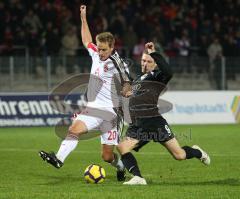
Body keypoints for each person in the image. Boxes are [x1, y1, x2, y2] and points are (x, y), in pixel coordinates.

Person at [39, 5, 130, 181]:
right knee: (74, 129)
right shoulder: (96, 54)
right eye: (99, 48)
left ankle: (119, 166)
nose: (100, 52)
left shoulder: (116, 62)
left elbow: (127, 81)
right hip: (94, 108)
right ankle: (59, 159)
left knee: (107, 156)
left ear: (112, 47)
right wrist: (83, 18)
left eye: (104, 49)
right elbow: (86, 40)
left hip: (111, 114)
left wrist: (126, 90)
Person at [118, 42, 210, 185]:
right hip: (138, 123)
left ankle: (197, 152)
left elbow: (169, 72)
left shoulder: (157, 77)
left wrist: (154, 53)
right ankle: (138, 177)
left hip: (153, 121)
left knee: (179, 155)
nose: (145, 63)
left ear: (155, 64)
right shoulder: (138, 79)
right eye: (143, 60)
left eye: (149, 61)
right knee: (123, 147)